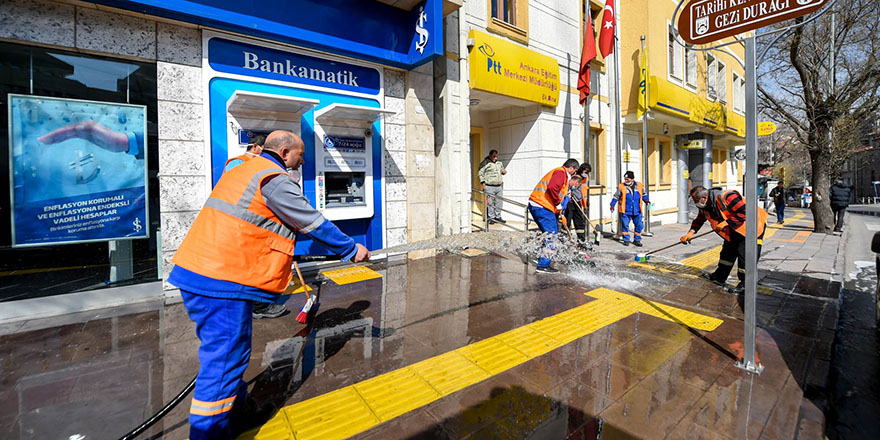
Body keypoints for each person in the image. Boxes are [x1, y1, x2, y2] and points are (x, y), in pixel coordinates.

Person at [168, 130, 370, 439]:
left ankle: (238, 415)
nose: (303, 160)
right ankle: (208, 433)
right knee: (224, 360)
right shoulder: (273, 178)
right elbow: (310, 221)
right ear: (286, 152)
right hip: (220, 278)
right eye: (300, 154)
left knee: (230, 353)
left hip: (201, 271)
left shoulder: (243, 167)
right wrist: (350, 248)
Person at [221, 134, 284, 319]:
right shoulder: (243, 163)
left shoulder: (237, 162)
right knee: (253, 265)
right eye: (264, 148)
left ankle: (247, 304)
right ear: (256, 147)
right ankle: (259, 306)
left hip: (240, 222)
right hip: (244, 224)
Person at [681, 186, 768, 294]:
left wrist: (726, 223)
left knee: (745, 256)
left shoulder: (728, 196)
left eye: (696, 201)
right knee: (728, 252)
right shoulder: (705, 206)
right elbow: (699, 220)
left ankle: (746, 285)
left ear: (704, 198)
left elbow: (746, 212)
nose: (695, 204)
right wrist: (690, 233)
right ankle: (719, 276)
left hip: (751, 226)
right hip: (734, 228)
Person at [528, 159, 580, 273]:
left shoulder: (563, 176)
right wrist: (557, 204)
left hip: (540, 206)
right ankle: (543, 265)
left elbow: (558, 195)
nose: (574, 174)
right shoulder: (561, 173)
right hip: (542, 206)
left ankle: (541, 258)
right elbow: (552, 188)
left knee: (547, 235)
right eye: (574, 171)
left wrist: (559, 213)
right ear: (571, 167)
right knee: (552, 236)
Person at [610, 171, 650, 247]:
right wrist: (612, 204)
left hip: (637, 210)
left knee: (639, 225)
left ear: (632, 179)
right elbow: (616, 196)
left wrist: (647, 200)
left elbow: (644, 194)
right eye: (625, 179)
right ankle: (626, 240)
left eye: (627, 179)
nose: (626, 180)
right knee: (625, 225)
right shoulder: (621, 186)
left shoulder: (640, 186)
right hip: (625, 210)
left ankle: (637, 240)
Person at [565, 163, 591, 244]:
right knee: (567, 221)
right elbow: (570, 187)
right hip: (571, 202)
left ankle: (581, 241)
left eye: (587, 172)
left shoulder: (585, 179)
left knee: (580, 221)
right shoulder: (574, 176)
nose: (586, 174)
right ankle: (564, 239)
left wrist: (586, 203)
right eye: (585, 172)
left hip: (579, 202)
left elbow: (584, 191)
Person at [478, 149, 507, 224]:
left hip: (498, 186)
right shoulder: (485, 163)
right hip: (489, 186)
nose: (495, 158)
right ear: (490, 155)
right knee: (490, 203)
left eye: (496, 156)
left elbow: (502, 171)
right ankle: (491, 217)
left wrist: (503, 172)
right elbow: (480, 173)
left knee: (499, 202)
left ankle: (498, 217)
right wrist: (483, 183)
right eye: (494, 156)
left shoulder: (499, 163)